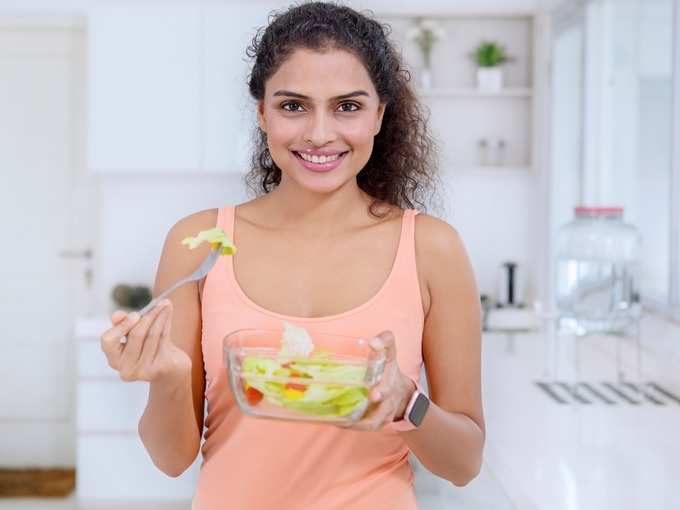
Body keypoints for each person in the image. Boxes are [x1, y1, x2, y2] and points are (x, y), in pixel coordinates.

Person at [99, 2, 484, 509]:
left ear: (379, 115)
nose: (319, 133)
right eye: (293, 106)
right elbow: (171, 459)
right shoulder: (201, 244)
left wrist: (405, 403)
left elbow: (464, 464)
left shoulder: (431, 248)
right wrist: (168, 376)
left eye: (347, 106)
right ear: (262, 113)